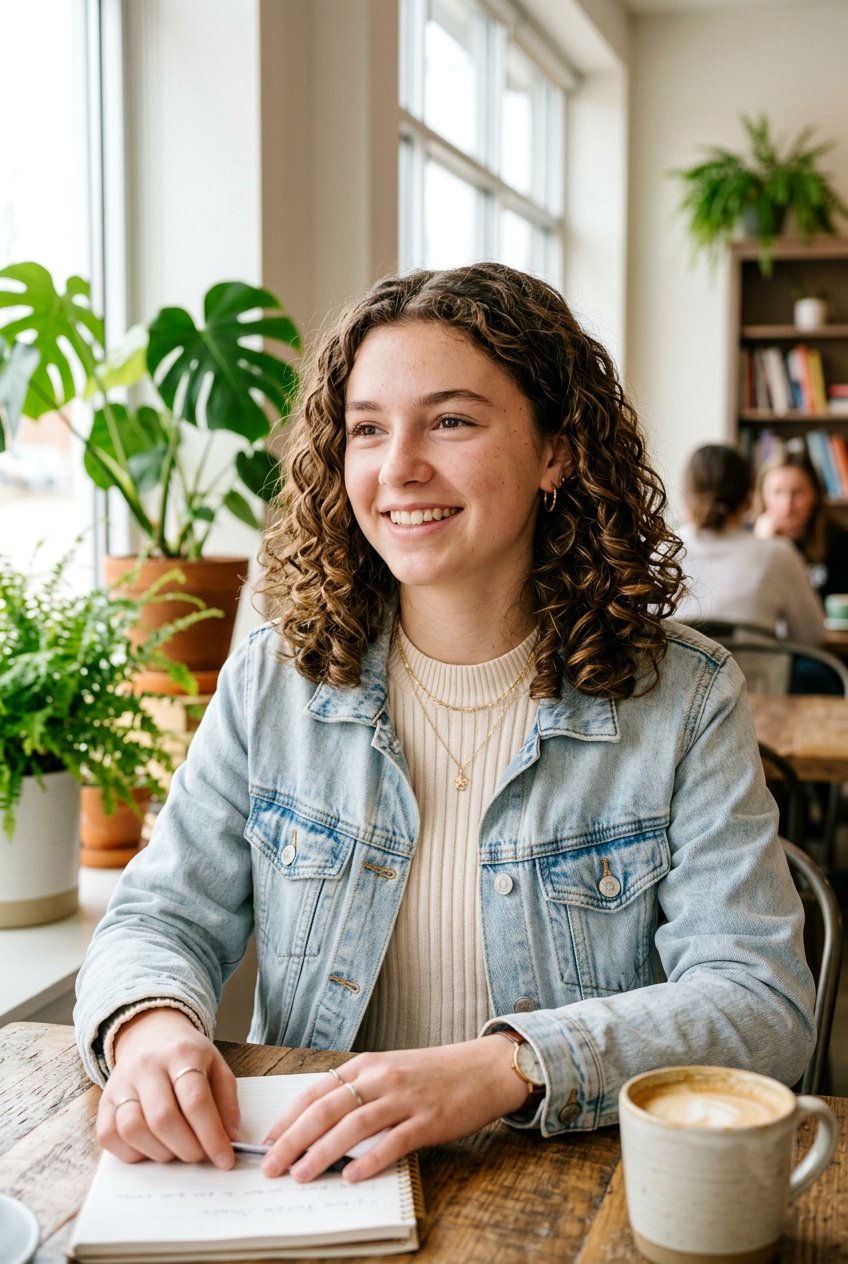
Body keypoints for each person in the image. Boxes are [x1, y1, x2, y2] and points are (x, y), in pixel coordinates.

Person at [74, 263, 814, 1186]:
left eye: (452, 421)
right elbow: (159, 915)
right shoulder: (274, 679)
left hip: (563, 1195)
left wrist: (506, 1066)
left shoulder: (685, 699)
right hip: (307, 1182)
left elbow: (761, 1004)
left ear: (557, 451)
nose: (398, 468)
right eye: (368, 430)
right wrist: (148, 1025)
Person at [674, 443, 825, 643]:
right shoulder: (778, 553)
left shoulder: (658, 551)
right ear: (748, 498)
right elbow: (813, 636)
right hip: (756, 675)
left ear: (685, 498)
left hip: (676, 674)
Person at [753, 447, 848, 602]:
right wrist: (762, 547)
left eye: (798, 493)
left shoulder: (839, 541)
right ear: (763, 496)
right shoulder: (748, 538)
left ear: (815, 495)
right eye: (778, 492)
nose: (787, 505)